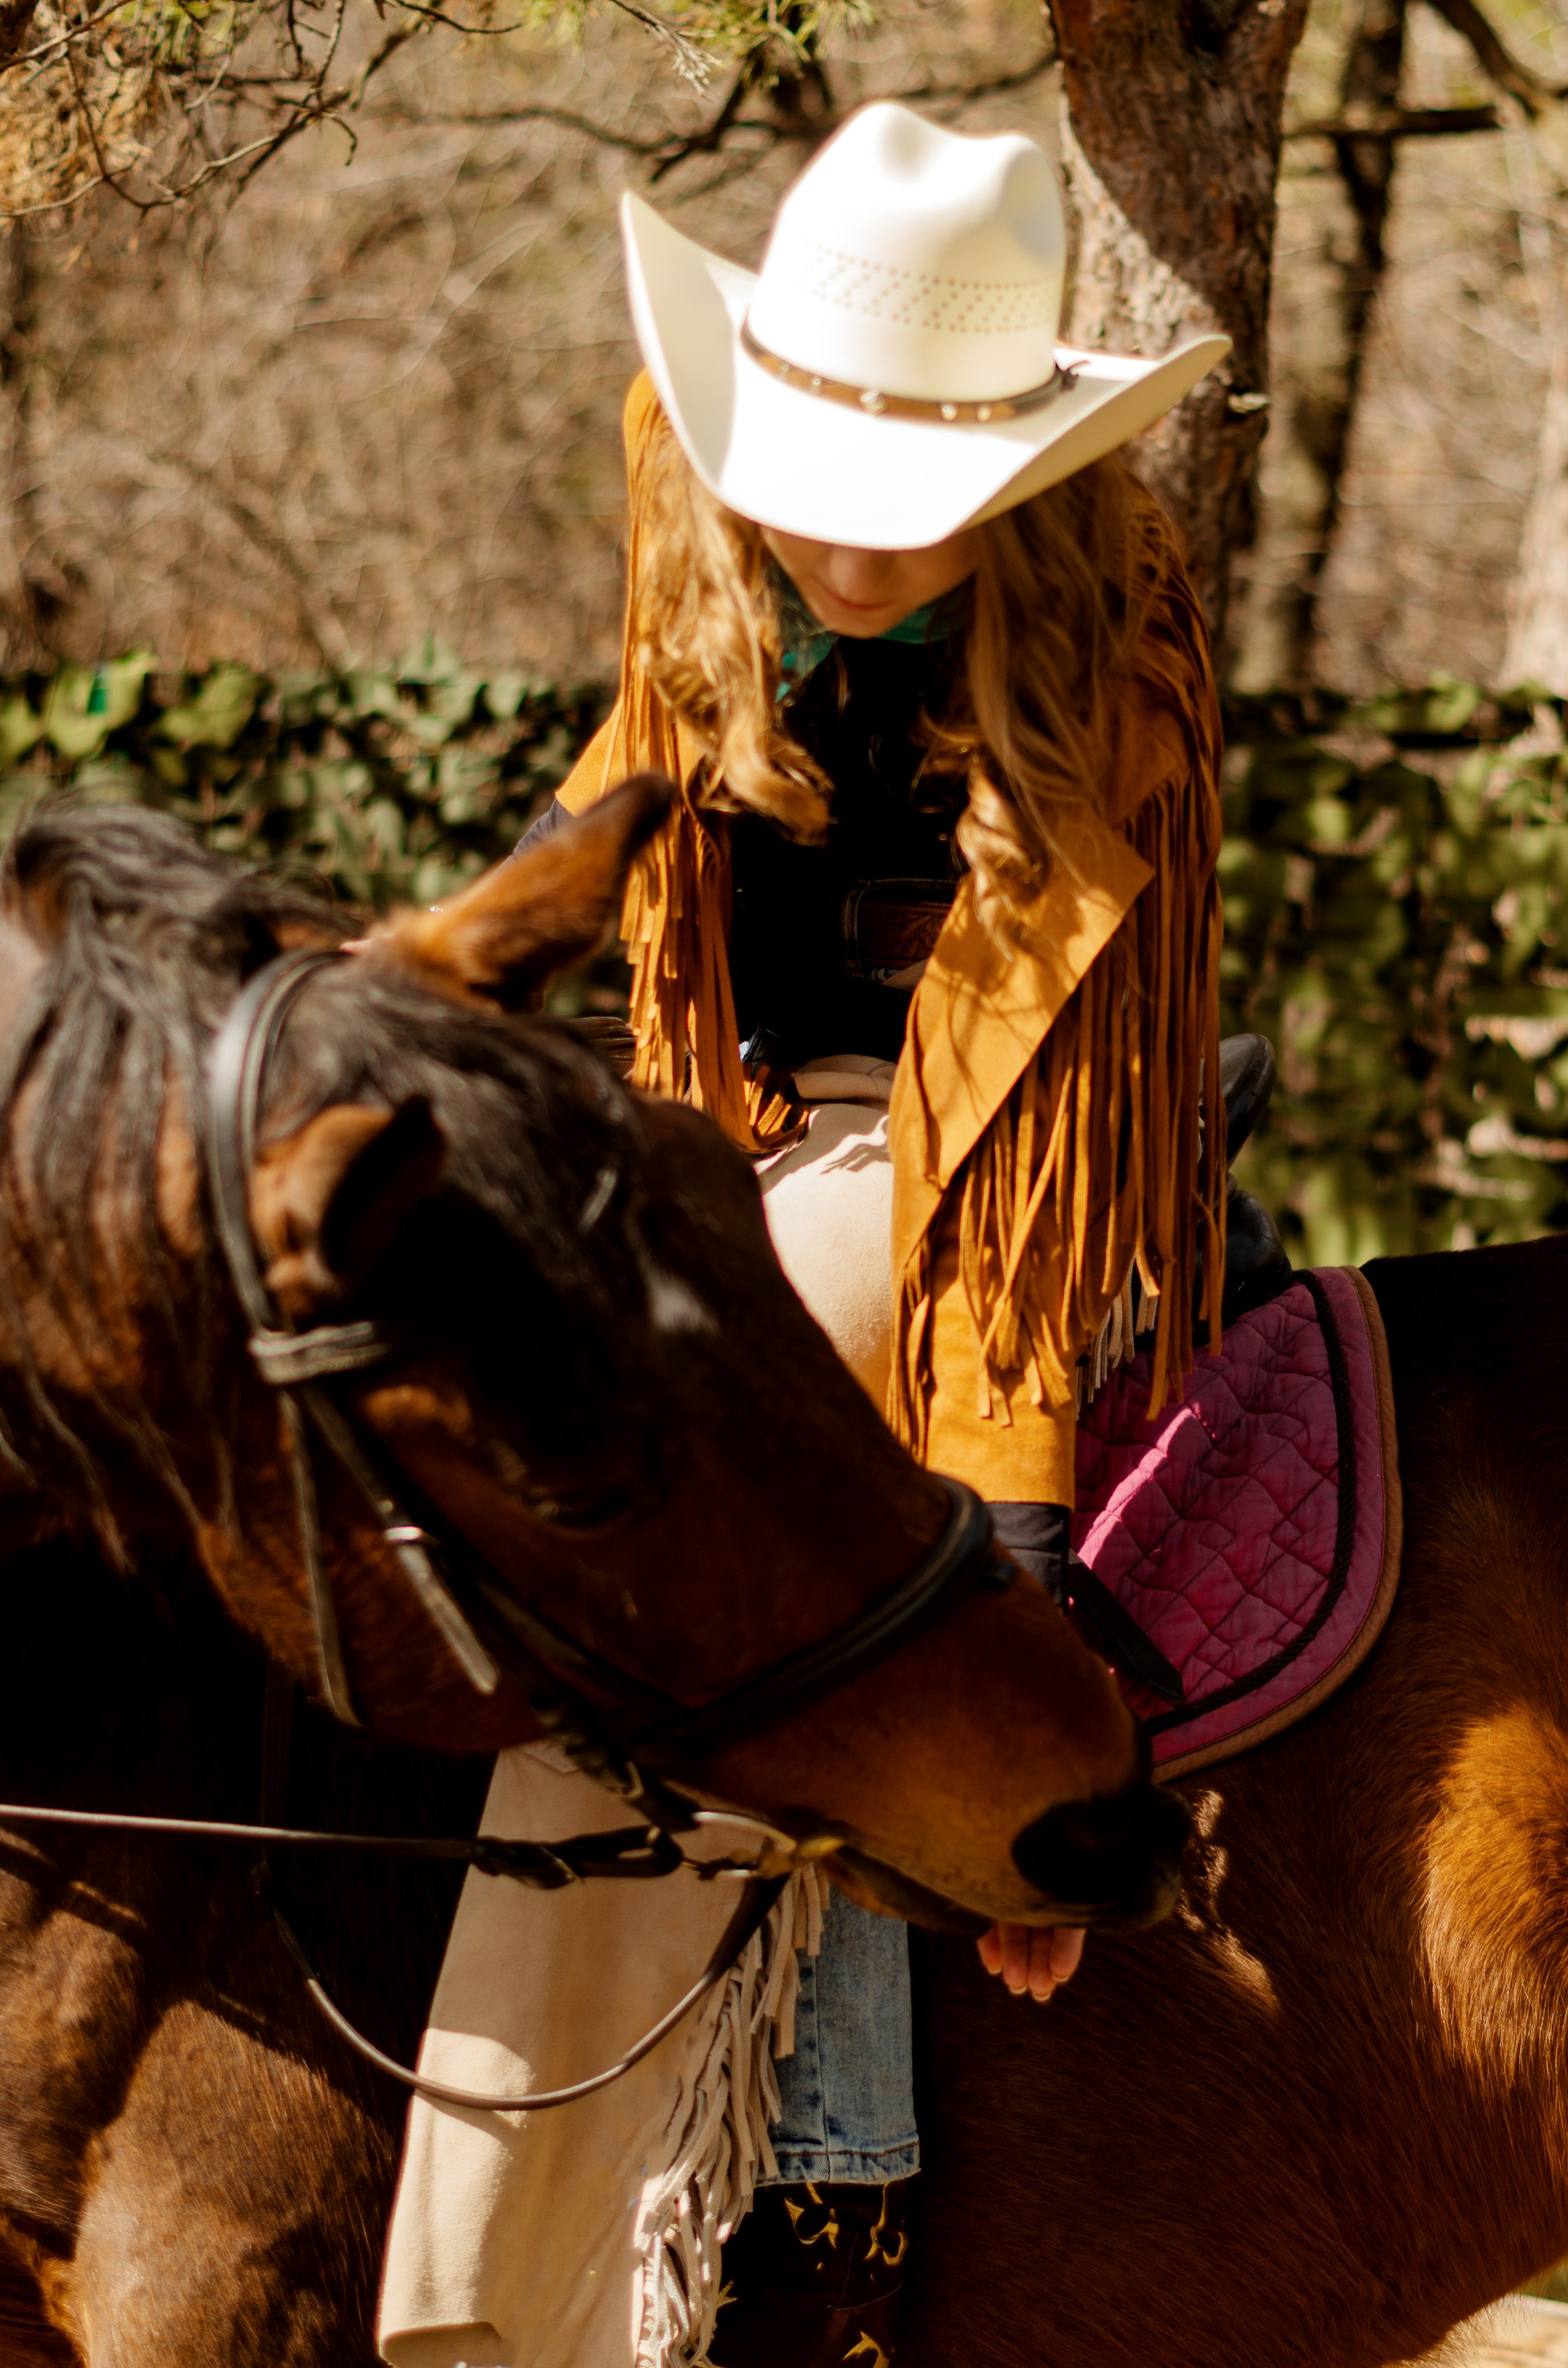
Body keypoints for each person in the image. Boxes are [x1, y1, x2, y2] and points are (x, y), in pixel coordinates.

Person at [524, 100, 1237, 2368]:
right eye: (812, 479)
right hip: (712, 1119)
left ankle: (826, 2177)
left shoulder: (1109, 641)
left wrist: (1012, 1592)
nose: (840, 543)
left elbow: (1011, 1144)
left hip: (987, 1178)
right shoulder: (686, 473)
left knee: (774, 1453)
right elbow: (630, 818)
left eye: (906, 503)